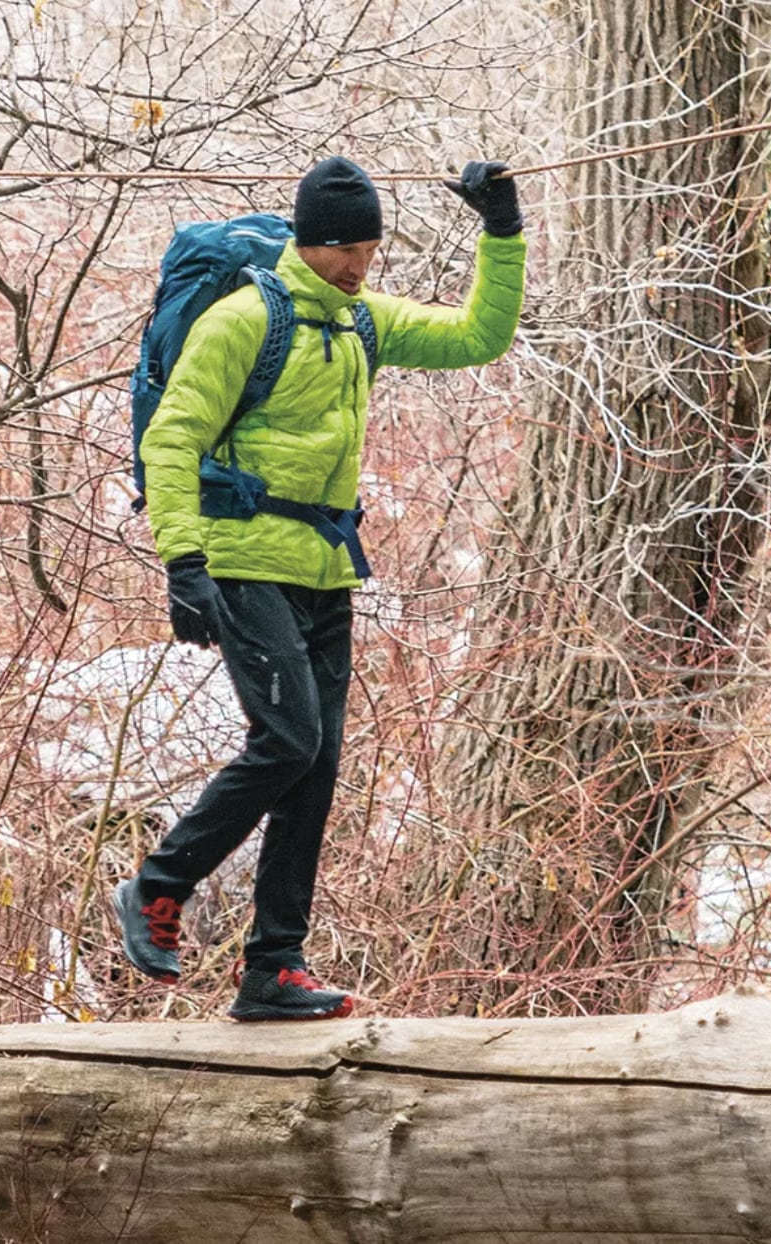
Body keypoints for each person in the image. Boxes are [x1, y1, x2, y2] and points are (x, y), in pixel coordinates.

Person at [113, 155, 526, 1020]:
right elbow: (173, 440)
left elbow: (478, 337)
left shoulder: (362, 321)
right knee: (288, 739)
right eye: (346, 250)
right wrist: (184, 563)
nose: (360, 265)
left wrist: (501, 228)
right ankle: (160, 881)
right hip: (242, 556)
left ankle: (274, 968)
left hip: (326, 564)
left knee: (317, 765)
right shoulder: (241, 322)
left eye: (368, 250)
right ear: (311, 242)